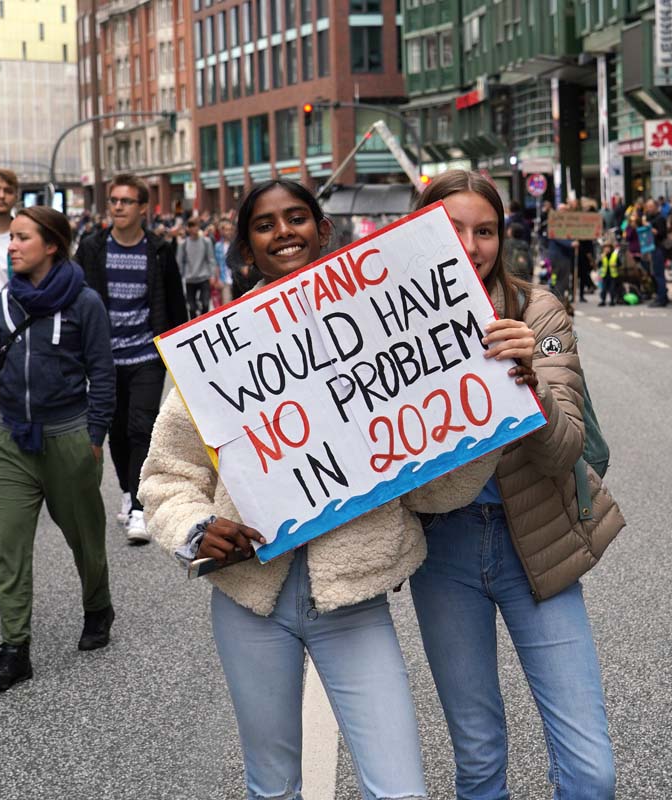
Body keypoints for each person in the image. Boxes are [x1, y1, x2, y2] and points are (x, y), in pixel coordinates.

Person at [141, 179, 508, 800]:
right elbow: (167, 477)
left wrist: (491, 407)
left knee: (400, 791)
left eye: (296, 218)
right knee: (273, 787)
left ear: (322, 230)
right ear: (247, 247)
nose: (283, 231)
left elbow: (438, 488)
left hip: (353, 603)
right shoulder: (216, 353)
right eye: (265, 224)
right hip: (249, 599)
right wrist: (198, 530)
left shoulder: (380, 322)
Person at [407, 170, 623, 800]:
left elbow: (565, 451)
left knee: (591, 773)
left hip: (537, 543)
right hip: (443, 553)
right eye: (452, 230)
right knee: (478, 762)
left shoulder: (538, 310)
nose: (472, 246)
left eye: (486, 231)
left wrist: (528, 380)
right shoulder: (386, 322)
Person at [0, 207, 117, 692]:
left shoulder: (85, 303)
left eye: (21, 238)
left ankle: (98, 605)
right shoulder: (3, 302)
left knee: (85, 540)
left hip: (67, 436)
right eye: (10, 238)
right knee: (9, 548)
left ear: (51, 244)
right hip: (9, 439)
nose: (11, 246)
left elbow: (103, 373)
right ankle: (15, 651)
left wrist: (93, 438)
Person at [75, 174, 187, 544]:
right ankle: (126, 490)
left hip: (145, 354)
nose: (118, 207)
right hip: (104, 357)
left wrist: (181, 349)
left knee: (142, 426)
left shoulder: (158, 249)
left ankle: (139, 508)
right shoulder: (92, 248)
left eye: (126, 201)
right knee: (116, 429)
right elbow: (76, 299)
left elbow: (174, 301)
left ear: (143, 209)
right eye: (113, 201)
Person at [179, 217, 217, 319]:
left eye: (195, 226)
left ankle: (204, 323)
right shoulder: (183, 244)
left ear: (199, 227)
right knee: (191, 308)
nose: (193, 229)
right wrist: (180, 278)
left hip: (203, 277)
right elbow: (180, 262)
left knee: (205, 304)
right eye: (191, 226)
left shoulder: (206, 242)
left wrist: (212, 275)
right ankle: (194, 325)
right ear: (188, 228)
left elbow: (211, 259)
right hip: (190, 279)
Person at [643, 198, 670, 307]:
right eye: (647, 206)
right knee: (654, 273)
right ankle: (662, 295)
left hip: (658, 248)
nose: (649, 209)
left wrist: (651, 229)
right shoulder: (650, 217)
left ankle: (661, 298)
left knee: (659, 274)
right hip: (651, 248)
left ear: (656, 207)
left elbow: (663, 234)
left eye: (651, 206)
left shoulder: (660, 218)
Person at [598, 239, 620, 306]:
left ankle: (612, 301)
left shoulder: (614, 255)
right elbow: (599, 265)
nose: (607, 249)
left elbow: (619, 263)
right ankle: (603, 301)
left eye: (608, 247)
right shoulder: (602, 256)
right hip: (605, 275)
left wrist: (615, 265)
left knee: (612, 289)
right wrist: (601, 259)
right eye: (605, 247)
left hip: (612, 275)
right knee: (603, 289)